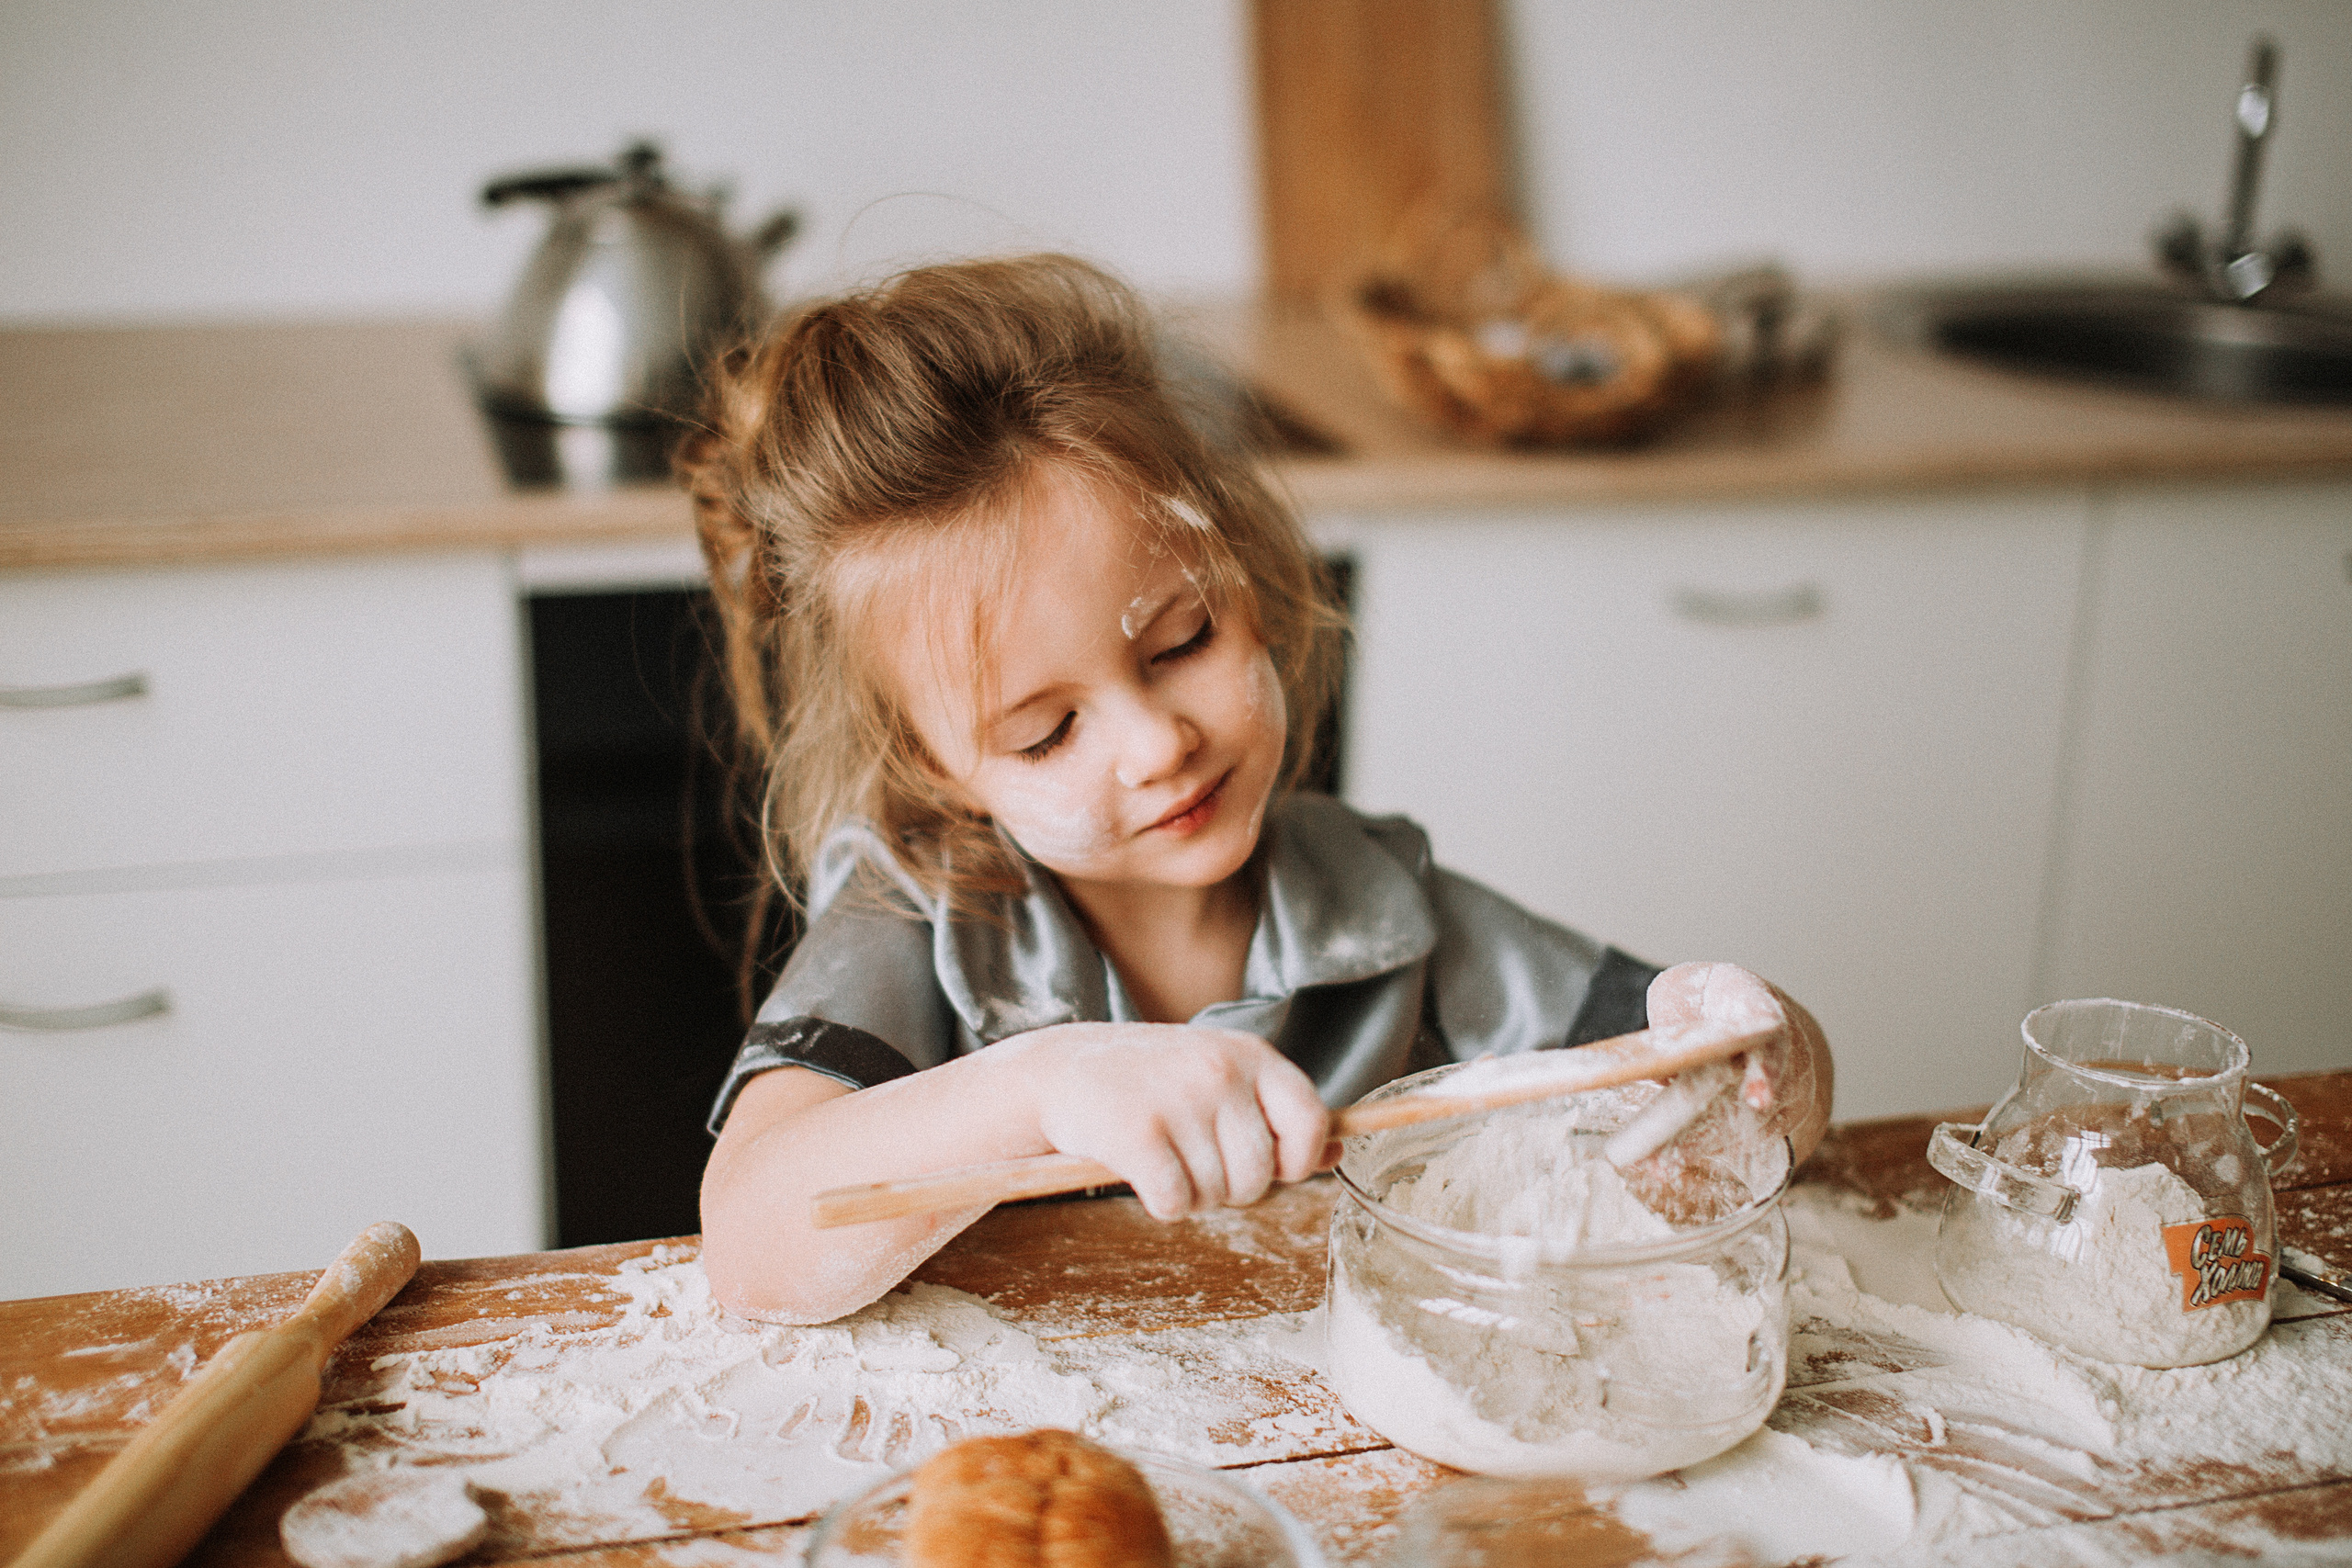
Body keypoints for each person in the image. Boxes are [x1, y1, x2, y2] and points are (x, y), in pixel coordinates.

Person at [683, 254, 1832, 1325]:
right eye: (1045, 733)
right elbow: (747, 1245)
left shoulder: (1384, 911)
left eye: (1181, 641)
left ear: (1253, 579)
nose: (1153, 744)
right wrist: (1041, 1084)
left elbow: (1715, 1095)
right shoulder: (924, 916)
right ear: (938, 765)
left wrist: (1762, 1058)